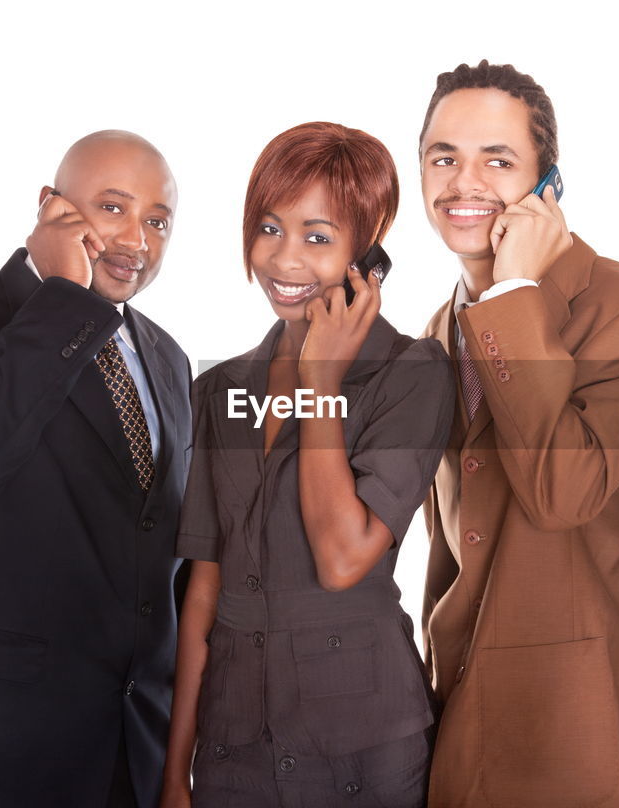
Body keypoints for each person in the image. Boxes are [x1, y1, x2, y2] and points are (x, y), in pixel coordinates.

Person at [0, 130, 192, 808]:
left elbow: (168, 552)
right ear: (53, 207)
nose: (137, 239)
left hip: (132, 749)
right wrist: (62, 297)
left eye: (159, 220)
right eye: (113, 208)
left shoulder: (168, 359)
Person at [158, 122, 453, 808]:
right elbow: (203, 590)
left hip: (360, 749)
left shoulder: (412, 374)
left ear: (365, 253)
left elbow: (345, 557)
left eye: (317, 237)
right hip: (234, 749)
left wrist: (321, 381)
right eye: (269, 227)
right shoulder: (221, 388)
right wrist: (177, 772)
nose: (283, 259)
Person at [416, 61, 619, 806]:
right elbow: (448, 541)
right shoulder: (438, 328)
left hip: (570, 725)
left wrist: (513, 295)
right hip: (456, 716)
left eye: (497, 160)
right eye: (444, 157)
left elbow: (562, 491)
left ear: (547, 185)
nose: (465, 183)